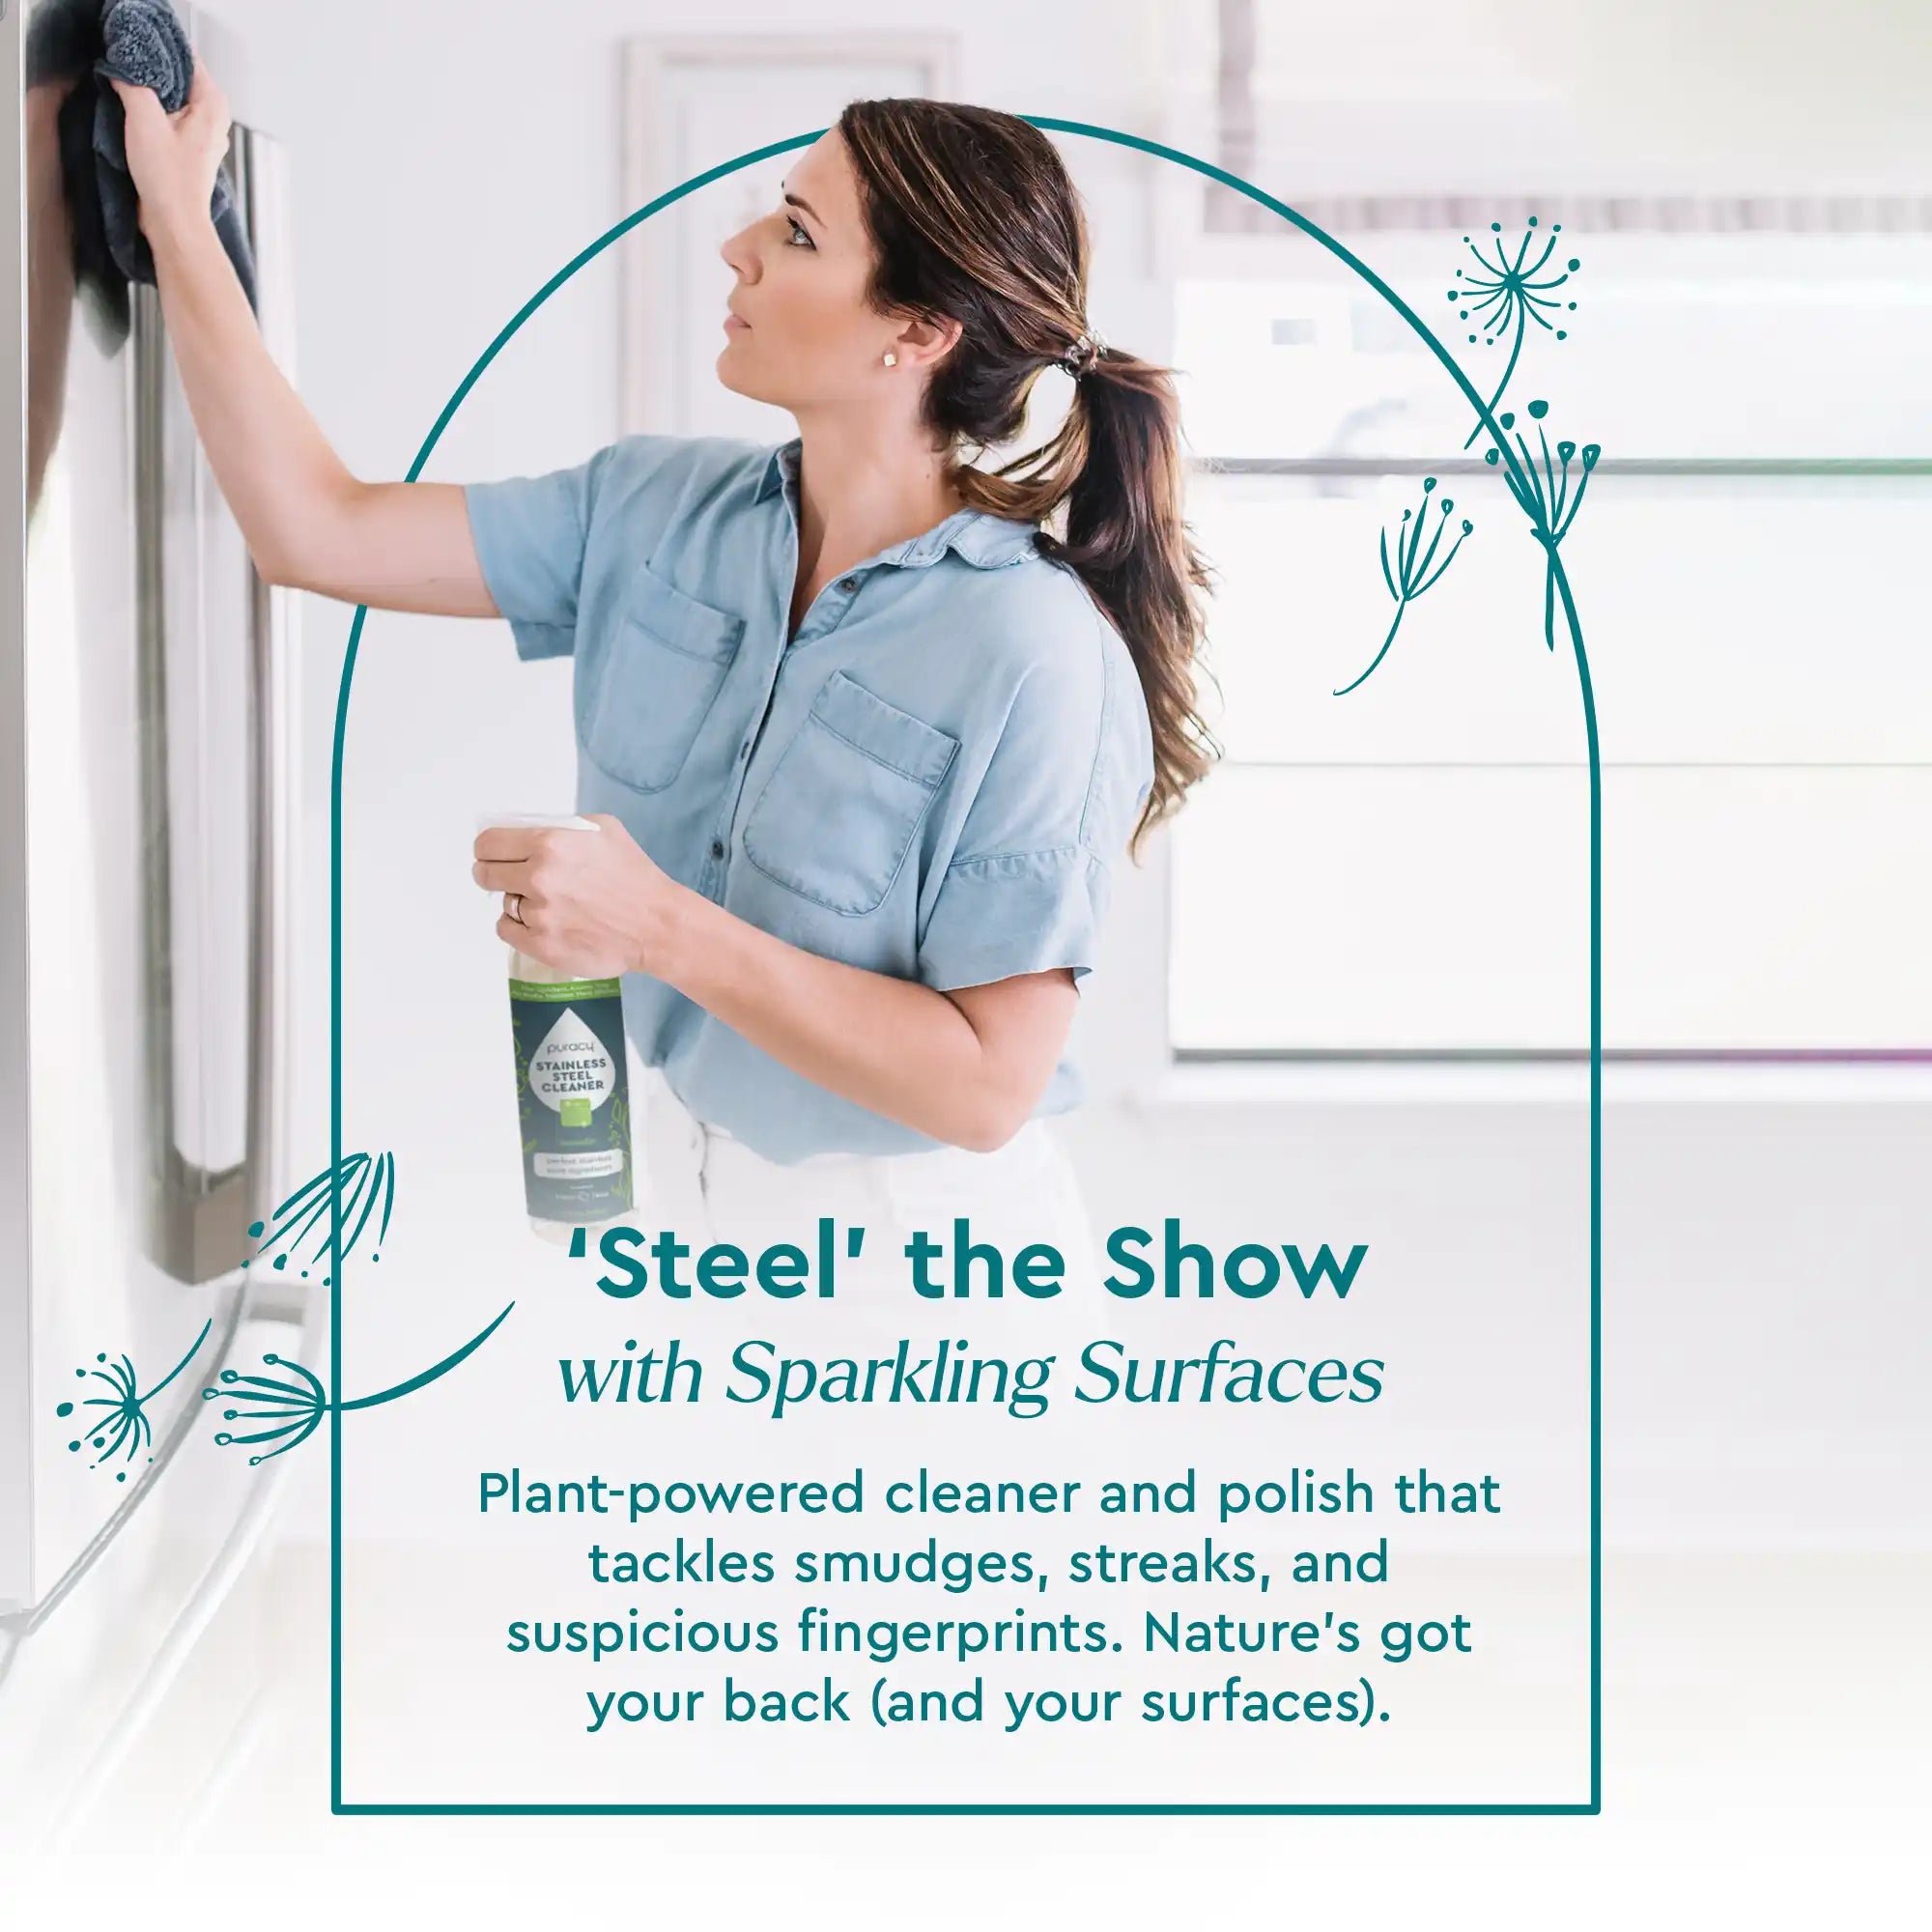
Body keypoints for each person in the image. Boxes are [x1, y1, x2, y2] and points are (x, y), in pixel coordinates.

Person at [109, 69, 1220, 1284]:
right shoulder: (652, 508)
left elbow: (986, 1087)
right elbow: (316, 532)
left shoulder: (1037, 650)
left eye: (797, 233)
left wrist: (653, 926)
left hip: (931, 1272)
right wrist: (177, 222)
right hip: (702, 1214)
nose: (738, 249)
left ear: (916, 333)